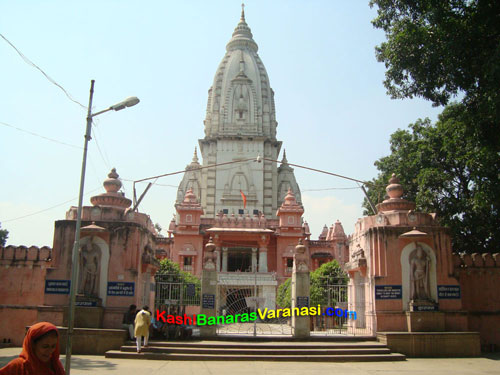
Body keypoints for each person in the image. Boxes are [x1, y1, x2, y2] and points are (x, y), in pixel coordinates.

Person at [0, 322, 65, 375]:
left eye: (53, 346)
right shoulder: (18, 366)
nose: (50, 351)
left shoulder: (55, 366)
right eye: (45, 346)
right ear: (33, 344)